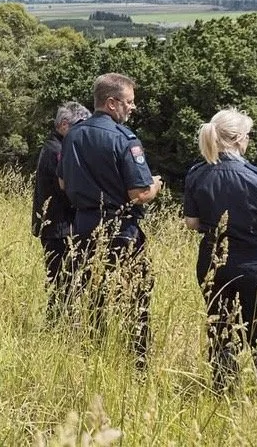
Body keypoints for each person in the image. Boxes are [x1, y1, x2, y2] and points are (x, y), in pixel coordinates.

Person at [58, 73, 163, 367]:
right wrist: (155, 186)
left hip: (82, 228)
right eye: (129, 102)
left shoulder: (73, 136)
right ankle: (138, 364)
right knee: (136, 299)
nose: (133, 107)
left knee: (94, 299)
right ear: (112, 103)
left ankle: (94, 360)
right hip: (120, 230)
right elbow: (139, 193)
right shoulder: (124, 139)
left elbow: (63, 183)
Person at [183, 108, 257, 398]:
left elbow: (191, 222)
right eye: (248, 135)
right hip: (253, 263)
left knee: (221, 329)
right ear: (240, 138)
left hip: (212, 263)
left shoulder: (197, 174)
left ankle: (224, 394)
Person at [32, 101, 90, 322]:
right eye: (79, 126)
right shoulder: (58, 151)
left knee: (67, 284)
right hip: (60, 228)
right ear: (64, 124)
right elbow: (67, 188)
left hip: (57, 226)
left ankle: (60, 325)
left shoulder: (55, 146)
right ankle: (58, 327)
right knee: (64, 285)